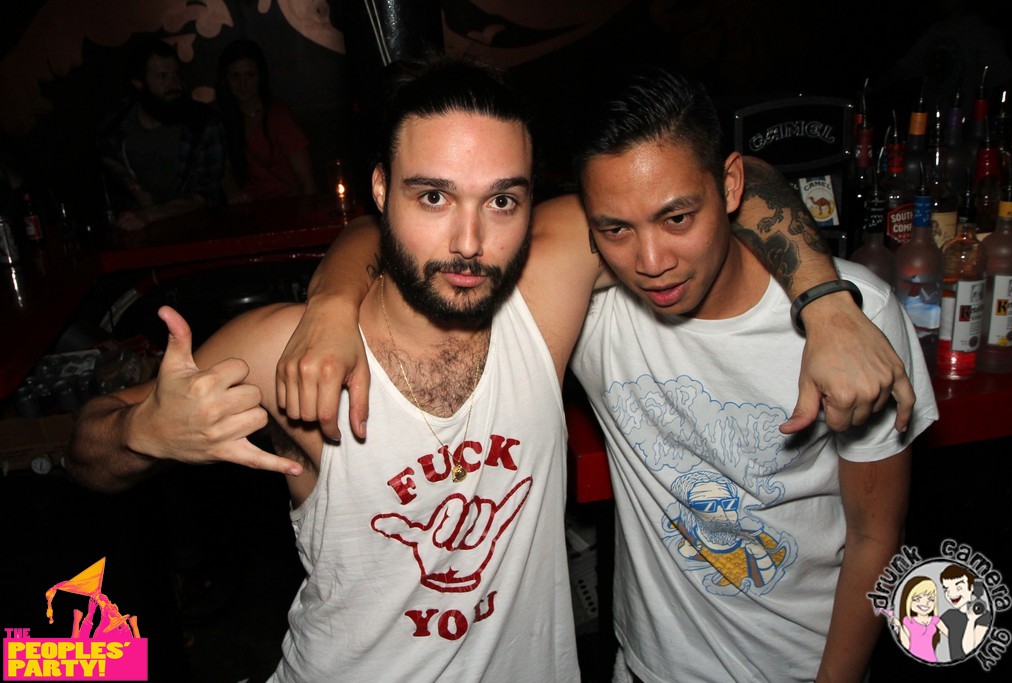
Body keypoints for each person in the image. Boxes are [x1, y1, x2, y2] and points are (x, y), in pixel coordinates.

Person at [277, 66, 936, 682]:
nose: (651, 260)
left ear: (729, 188)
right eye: (615, 228)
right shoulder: (591, 310)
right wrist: (331, 305)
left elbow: (877, 537)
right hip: (646, 667)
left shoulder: (858, 320)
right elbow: (386, 231)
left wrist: (825, 301)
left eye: (677, 218)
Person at [71, 58, 582, 681]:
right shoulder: (289, 350)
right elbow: (86, 455)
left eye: (502, 201)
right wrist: (141, 432)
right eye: (433, 197)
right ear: (381, 190)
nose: (469, 241)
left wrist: (335, 293)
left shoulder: (548, 293)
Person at [99, 39, 224, 230]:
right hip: (135, 228)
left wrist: (150, 214)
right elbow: (105, 155)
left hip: (195, 228)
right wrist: (136, 189)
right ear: (139, 83)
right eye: (162, 77)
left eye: (176, 74)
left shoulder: (203, 123)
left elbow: (202, 196)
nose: (174, 84)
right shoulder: (118, 119)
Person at [216, 39, 315, 204]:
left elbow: (307, 181)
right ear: (225, 78)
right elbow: (220, 168)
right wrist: (233, 194)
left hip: (286, 205)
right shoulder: (218, 116)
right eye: (235, 76)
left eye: (250, 75)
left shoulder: (278, 116)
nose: (242, 84)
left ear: (260, 76)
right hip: (245, 210)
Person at [939, 564, 992, 660]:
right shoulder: (949, 615)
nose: (951, 594)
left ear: (971, 587)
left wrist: (971, 620)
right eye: (946, 589)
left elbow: (969, 650)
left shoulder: (984, 616)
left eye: (958, 588)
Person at [891, 576, 946, 662]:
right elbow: (906, 645)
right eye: (917, 599)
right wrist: (899, 626)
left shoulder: (935, 620)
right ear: (908, 600)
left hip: (931, 659)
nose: (925, 603)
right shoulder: (908, 621)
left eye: (931, 599)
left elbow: (951, 635)